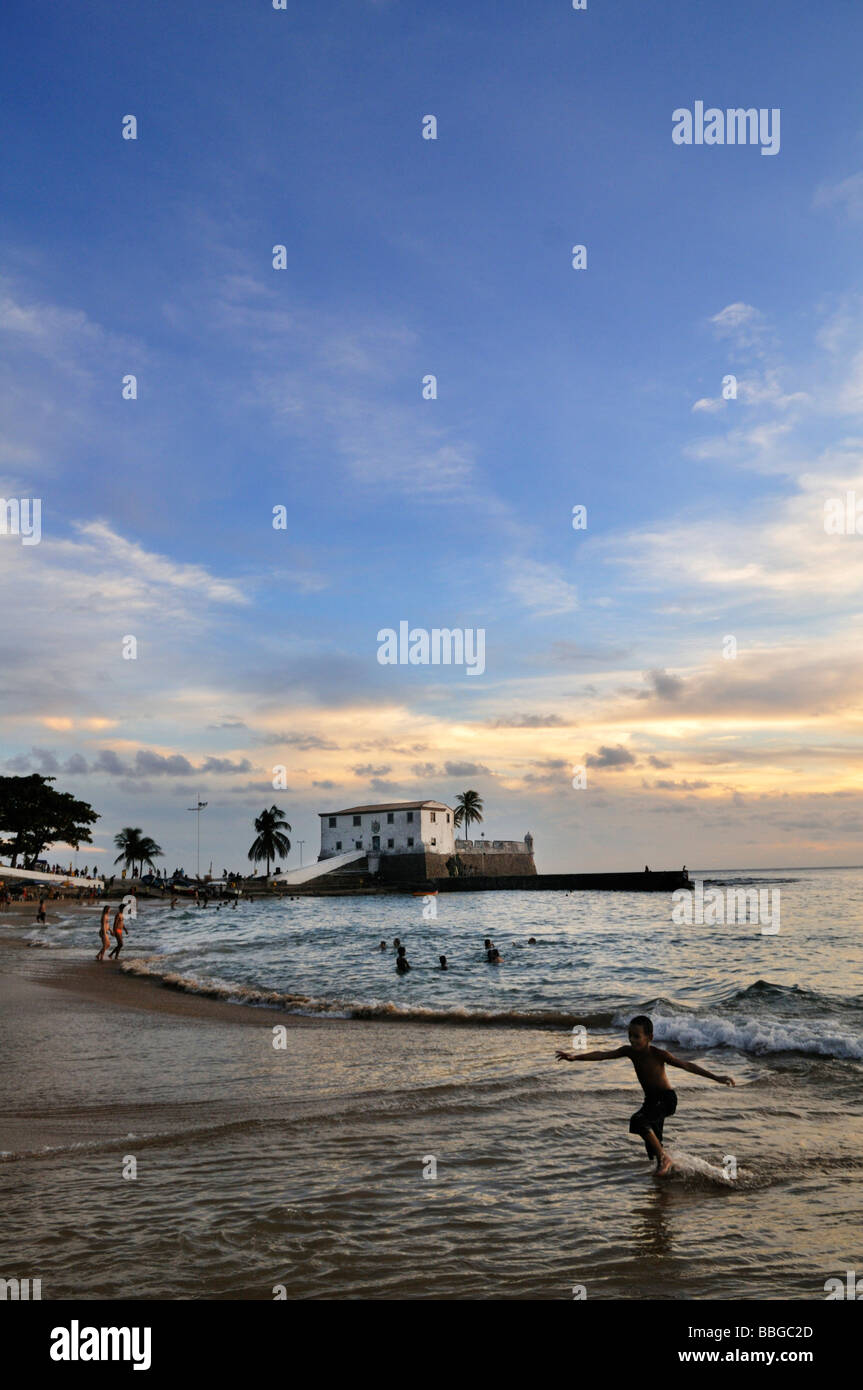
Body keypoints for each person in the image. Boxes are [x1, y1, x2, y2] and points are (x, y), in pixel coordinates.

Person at [555, 1014, 735, 1177]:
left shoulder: (658, 1054)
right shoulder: (629, 1051)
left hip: (666, 1099)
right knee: (652, 1145)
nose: (632, 1040)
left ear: (650, 1038)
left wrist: (716, 1077)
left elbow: (687, 1065)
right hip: (650, 1101)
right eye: (630, 1035)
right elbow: (602, 1055)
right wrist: (575, 1057)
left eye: (636, 1036)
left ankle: (666, 1160)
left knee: (639, 1121)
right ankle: (672, 1170)